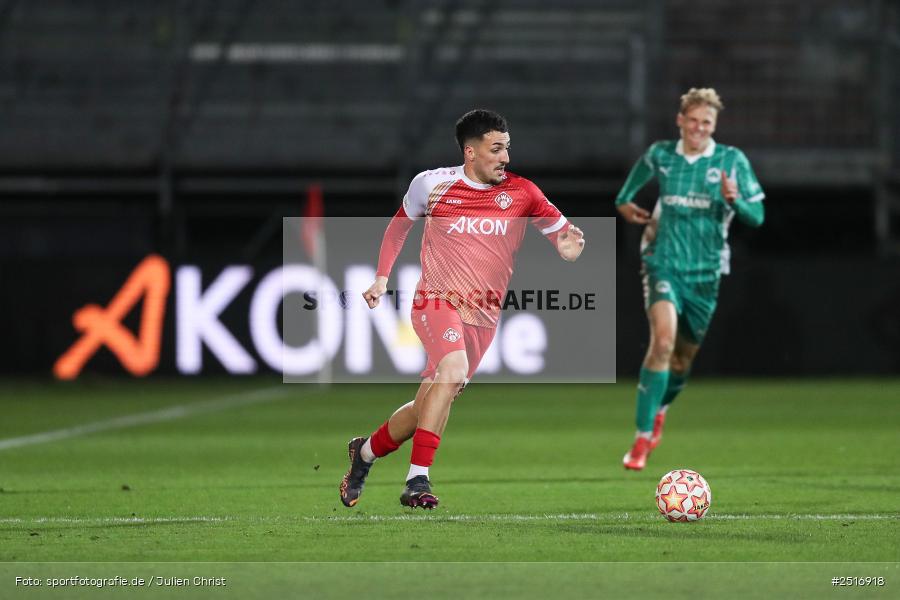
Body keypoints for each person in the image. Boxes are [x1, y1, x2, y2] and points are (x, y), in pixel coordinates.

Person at [339, 109, 585, 509]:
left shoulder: (523, 192)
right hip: (435, 301)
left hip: (484, 317)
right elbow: (399, 225)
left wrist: (571, 247)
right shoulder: (431, 185)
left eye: (507, 148)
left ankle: (364, 453)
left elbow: (563, 236)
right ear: (471, 153)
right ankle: (417, 480)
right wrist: (382, 277)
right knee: (450, 372)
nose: (505, 157)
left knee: (428, 404)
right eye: (496, 148)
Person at [615, 88, 765, 470]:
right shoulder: (662, 155)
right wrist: (624, 202)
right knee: (662, 342)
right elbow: (627, 191)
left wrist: (735, 200)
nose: (699, 128)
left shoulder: (731, 161)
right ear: (680, 120)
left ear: (714, 126)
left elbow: (757, 216)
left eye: (707, 123)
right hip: (662, 262)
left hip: (705, 274)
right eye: (693, 120)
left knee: (681, 362)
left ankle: (662, 406)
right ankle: (641, 438)